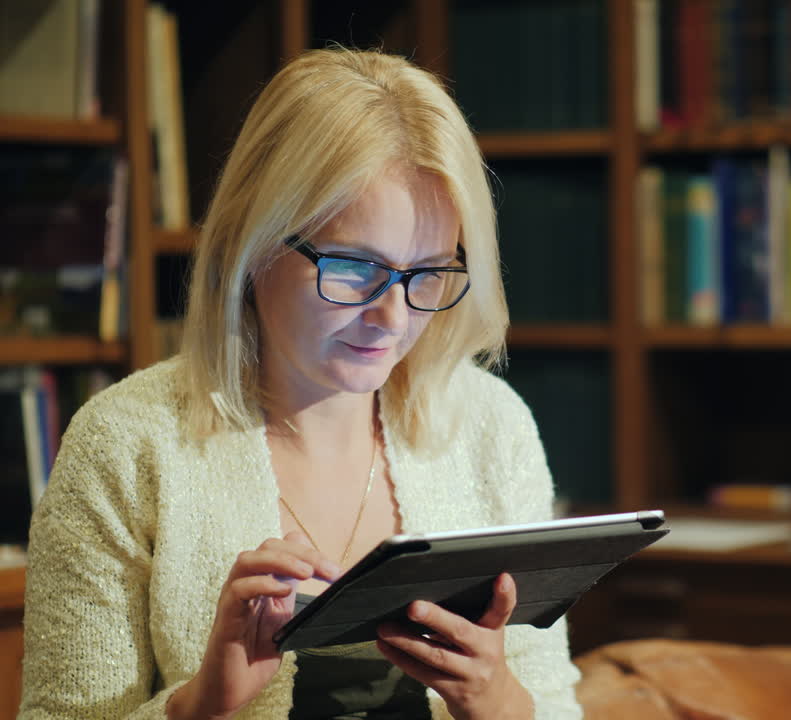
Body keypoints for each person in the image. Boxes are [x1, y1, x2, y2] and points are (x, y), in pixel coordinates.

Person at [19, 48, 583, 720]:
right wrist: (202, 705)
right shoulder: (126, 446)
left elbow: (551, 703)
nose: (393, 317)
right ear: (252, 243)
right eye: (354, 267)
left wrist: (497, 702)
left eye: (427, 272)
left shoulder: (490, 426)